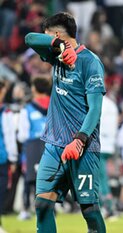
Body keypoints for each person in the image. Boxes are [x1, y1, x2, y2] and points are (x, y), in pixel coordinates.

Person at [25, 12, 106, 233]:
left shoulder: (90, 62)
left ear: (58, 33)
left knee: (89, 211)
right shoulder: (55, 55)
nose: (44, 38)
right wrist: (58, 44)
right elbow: (30, 39)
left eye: (48, 34)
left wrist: (79, 140)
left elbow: (96, 109)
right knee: (42, 205)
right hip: (54, 146)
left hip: (83, 148)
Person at [17, 76, 51, 221]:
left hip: (33, 145)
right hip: (51, 144)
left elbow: (22, 134)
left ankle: (25, 209)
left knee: (29, 179)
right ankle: (51, 207)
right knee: (50, 178)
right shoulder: (54, 104)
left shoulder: (28, 108)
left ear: (34, 88)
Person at [0, 78, 18, 233]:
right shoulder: (5, 112)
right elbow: (9, 136)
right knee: (2, 191)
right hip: (2, 158)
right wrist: (13, 158)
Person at [99, 94, 119, 219]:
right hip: (110, 144)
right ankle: (108, 207)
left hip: (99, 145)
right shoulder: (111, 104)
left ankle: (107, 208)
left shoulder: (98, 101)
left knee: (100, 179)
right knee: (103, 177)